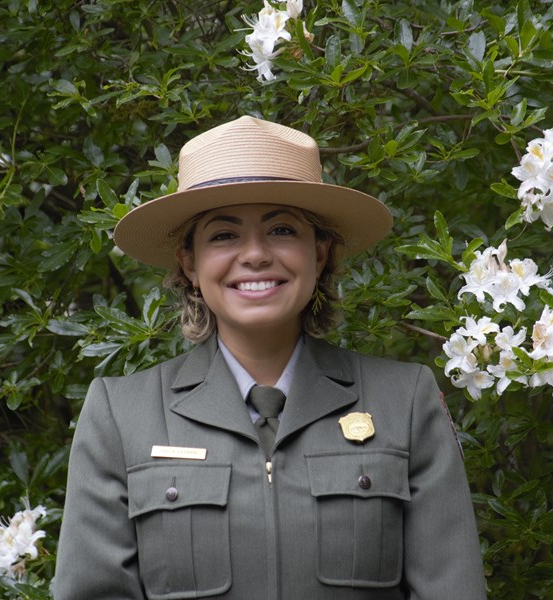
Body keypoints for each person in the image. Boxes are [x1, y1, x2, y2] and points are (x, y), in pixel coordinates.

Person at [54, 116, 487, 599]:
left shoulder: (404, 402)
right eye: (224, 235)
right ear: (189, 263)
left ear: (319, 254)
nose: (256, 255)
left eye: (282, 230)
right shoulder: (121, 414)